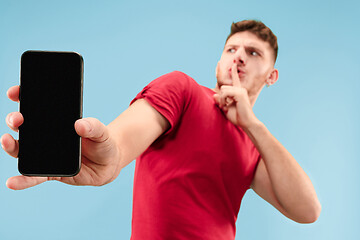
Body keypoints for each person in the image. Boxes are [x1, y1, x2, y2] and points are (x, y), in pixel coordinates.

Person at [1, 20, 321, 239]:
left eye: (253, 53)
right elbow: (121, 143)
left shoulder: (255, 144)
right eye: (231, 50)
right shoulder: (182, 90)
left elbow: (308, 211)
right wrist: (108, 158)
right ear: (219, 60)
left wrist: (253, 125)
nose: (238, 58)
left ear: (271, 76)